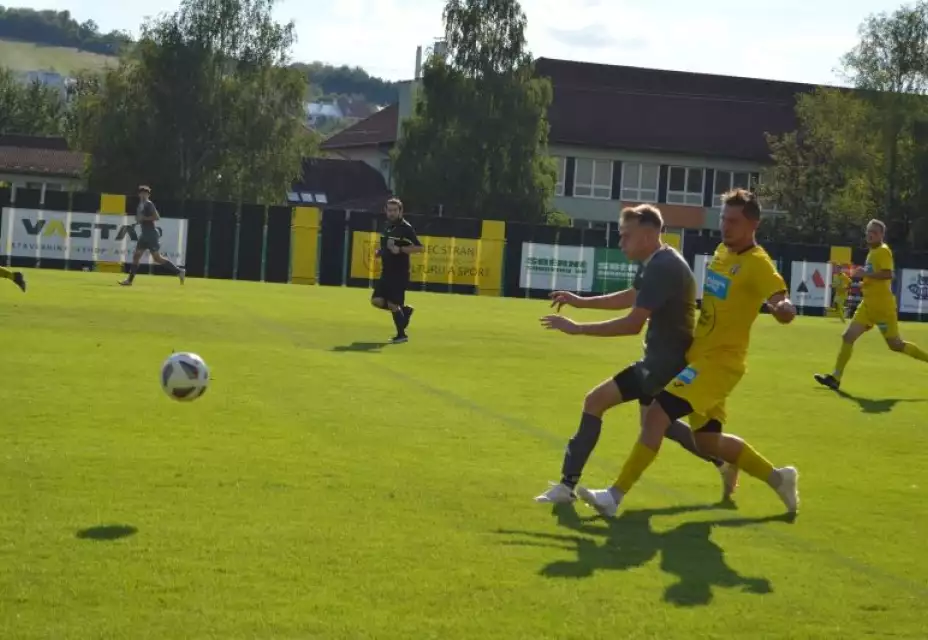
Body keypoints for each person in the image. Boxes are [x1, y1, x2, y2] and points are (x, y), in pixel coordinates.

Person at [574, 189, 800, 518]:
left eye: (734, 221)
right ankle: (779, 477)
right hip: (698, 356)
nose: (725, 226)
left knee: (656, 416)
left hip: (720, 363)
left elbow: (780, 298)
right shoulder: (723, 251)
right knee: (707, 442)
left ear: (753, 224)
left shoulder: (758, 264)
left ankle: (614, 495)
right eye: (723, 219)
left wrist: (783, 307)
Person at [536, 204, 739, 507]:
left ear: (646, 236)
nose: (620, 243)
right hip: (664, 362)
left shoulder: (663, 266)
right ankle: (723, 460)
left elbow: (633, 324)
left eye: (625, 236)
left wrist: (578, 329)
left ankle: (567, 486)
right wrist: (580, 301)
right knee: (661, 426)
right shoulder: (656, 261)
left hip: (662, 366)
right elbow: (632, 297)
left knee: (595, 401)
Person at [814, 219, 928, 390]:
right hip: (867, 306)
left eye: (874, 231)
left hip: (883, 308)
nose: (870, 234)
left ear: (882, 235)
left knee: (895, 345)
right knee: (848, 337)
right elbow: (874, 277)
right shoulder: (872, 252)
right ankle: (835, 378)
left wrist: (865, 274)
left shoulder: (883, 251)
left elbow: (888, 274)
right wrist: (862, 282)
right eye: (868, 231)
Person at [371, 198, 423, 344]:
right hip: (386, 271)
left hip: (399, 273)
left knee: (393, 304)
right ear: (385, 211)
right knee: (376, 301)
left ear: (400, 211)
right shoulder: (387, 226)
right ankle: (403, 312)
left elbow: (419, 248)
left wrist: (400, 249)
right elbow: (387, 247)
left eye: (395, 210)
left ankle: (401, 335)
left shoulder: (406, 228)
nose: (392, 213)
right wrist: (380, 252)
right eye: (389, 210)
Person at [119, 186, 185, 287]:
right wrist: (138, 220)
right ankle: (129, 281)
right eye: (142, 193)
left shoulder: (149, 204)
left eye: (146, 193)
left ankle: (179, 271)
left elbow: (156, 217)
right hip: (144, 234)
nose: (144, 195)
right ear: (139, 194)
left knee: (157, 258)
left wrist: (143, 218)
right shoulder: (140, 205)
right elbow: (140, 219)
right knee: (136, 256)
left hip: (151, 235)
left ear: (148, 195)